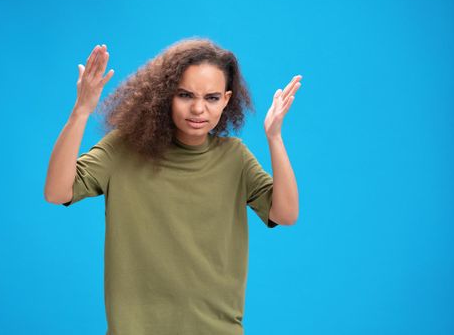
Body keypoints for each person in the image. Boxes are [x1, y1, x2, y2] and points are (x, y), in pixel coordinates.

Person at [44, 37, 301, 335]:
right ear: (166, 95)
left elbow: (285, 214)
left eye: (212, 98)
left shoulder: (235, 159)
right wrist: (81, 111)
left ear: (227, 100)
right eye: (185, 95)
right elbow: (56, 192)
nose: (198, 109)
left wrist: (274, 138)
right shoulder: (123, 149)